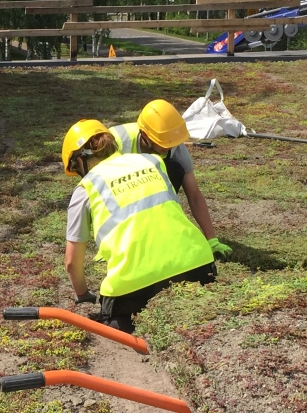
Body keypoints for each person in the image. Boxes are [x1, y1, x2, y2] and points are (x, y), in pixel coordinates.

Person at [63, 119, 217, 333]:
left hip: (132, 287)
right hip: (198, 266)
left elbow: (71, 263)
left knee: (115, 325)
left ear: (80, 160)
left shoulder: (86, 187)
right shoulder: (153, 162)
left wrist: (83, 295)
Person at [107, 99, 232, 260]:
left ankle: (154, 230)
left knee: (174, 169)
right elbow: (98, 188)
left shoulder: (177, 150)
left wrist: (212, 241)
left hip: (145, 193)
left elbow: (194, 196)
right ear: (145, 136)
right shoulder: (116, 143)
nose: (170, 147)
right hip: (119, 189)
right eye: (164, 143)